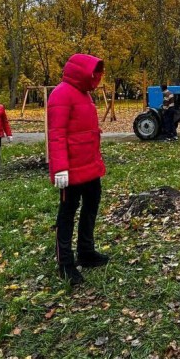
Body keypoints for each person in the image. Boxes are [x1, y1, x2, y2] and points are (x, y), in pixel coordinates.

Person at [47, 54, 108, 286]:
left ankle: (86, 251)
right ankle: (65, 263)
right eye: (93, 71)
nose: (95, 76)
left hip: (90, 167)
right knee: (67, 214)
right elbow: (56, 134)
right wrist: (60, 168)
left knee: (90, 208)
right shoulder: (61, 94)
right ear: (81, 70)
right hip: (70, 170)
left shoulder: (85, 95)